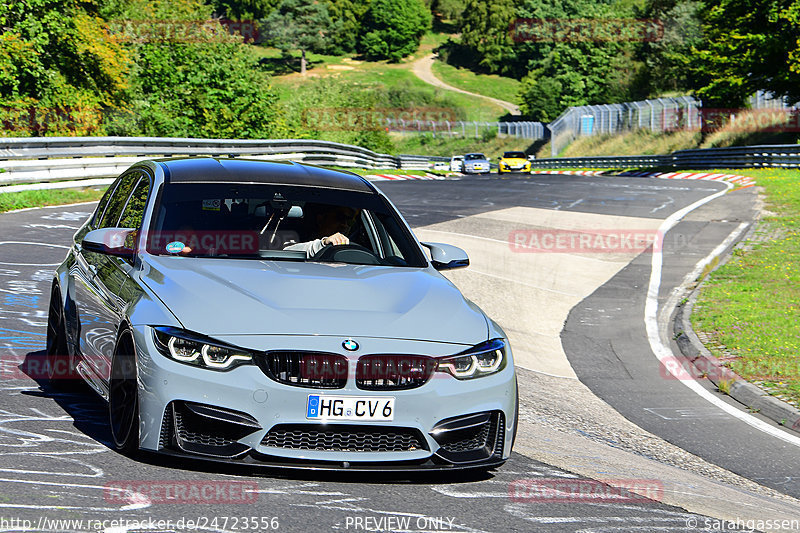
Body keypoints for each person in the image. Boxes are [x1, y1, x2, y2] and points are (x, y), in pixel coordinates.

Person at [284, 204, 359, 257]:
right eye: (340, 218)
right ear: (320, 219)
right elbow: (286, 252)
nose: (344, 225)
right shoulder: (296, 239)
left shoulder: (355, 252)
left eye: (350, 221)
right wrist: (323, 243)